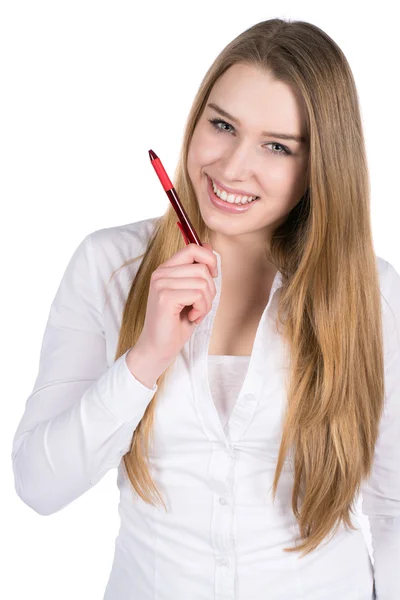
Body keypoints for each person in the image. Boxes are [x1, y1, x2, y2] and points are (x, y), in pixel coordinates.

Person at [11, 18, 400, 600]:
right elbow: (40, 486)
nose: (232, 167)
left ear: (320, 167)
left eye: (276, 146)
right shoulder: (108, 266)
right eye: (222, 125)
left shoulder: (370, 291)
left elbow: (393, 505)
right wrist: (146, 359)